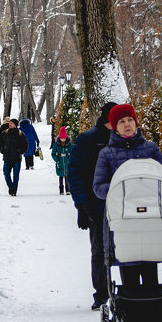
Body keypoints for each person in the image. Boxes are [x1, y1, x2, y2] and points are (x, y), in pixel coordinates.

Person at [92, 103, 162, 322]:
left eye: (130, 121)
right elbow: (98, 187)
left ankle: (155, 321)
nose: (127, 125)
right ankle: (132, 320)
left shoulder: (151, 149)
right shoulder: (106, 154)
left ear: (136, 123)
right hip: (122, 218)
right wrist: (120, 190)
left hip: (150, 218)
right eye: (121, 122)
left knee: (150, 264)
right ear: (114, 127)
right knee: (129, 265)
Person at [67, 101, 117, 310]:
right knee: (99, 251)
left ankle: (126, 292)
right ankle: (101, 294)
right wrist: (81, 204)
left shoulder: (126, 139)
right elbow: (75, 172)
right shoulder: (87, 140)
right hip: (96, 205)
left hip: (124, 205)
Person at [0, 118, 28, 196]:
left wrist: (20, 151)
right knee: (6, 174)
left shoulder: (21, 134)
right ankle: (11, 187)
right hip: (7, 158)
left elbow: (25, 145)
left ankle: (14, 191)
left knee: (16, 176)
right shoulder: (5, 133)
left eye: (12, 123)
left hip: (16, 158)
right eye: (9, 123)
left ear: (15, 125)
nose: (10, 124)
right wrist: (2, 150)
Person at [52, 126, 73, 193]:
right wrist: (57, 160)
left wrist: (70, 159)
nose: (63, 140)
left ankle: (68, 190)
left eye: (64, 138)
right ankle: (61, 190)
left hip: (67, 163)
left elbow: (72, 152)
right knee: (60, 177)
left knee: (67, 177)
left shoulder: (69, 144)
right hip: (60, 163)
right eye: (62, 138)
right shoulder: (56, 144)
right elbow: (53, 153)